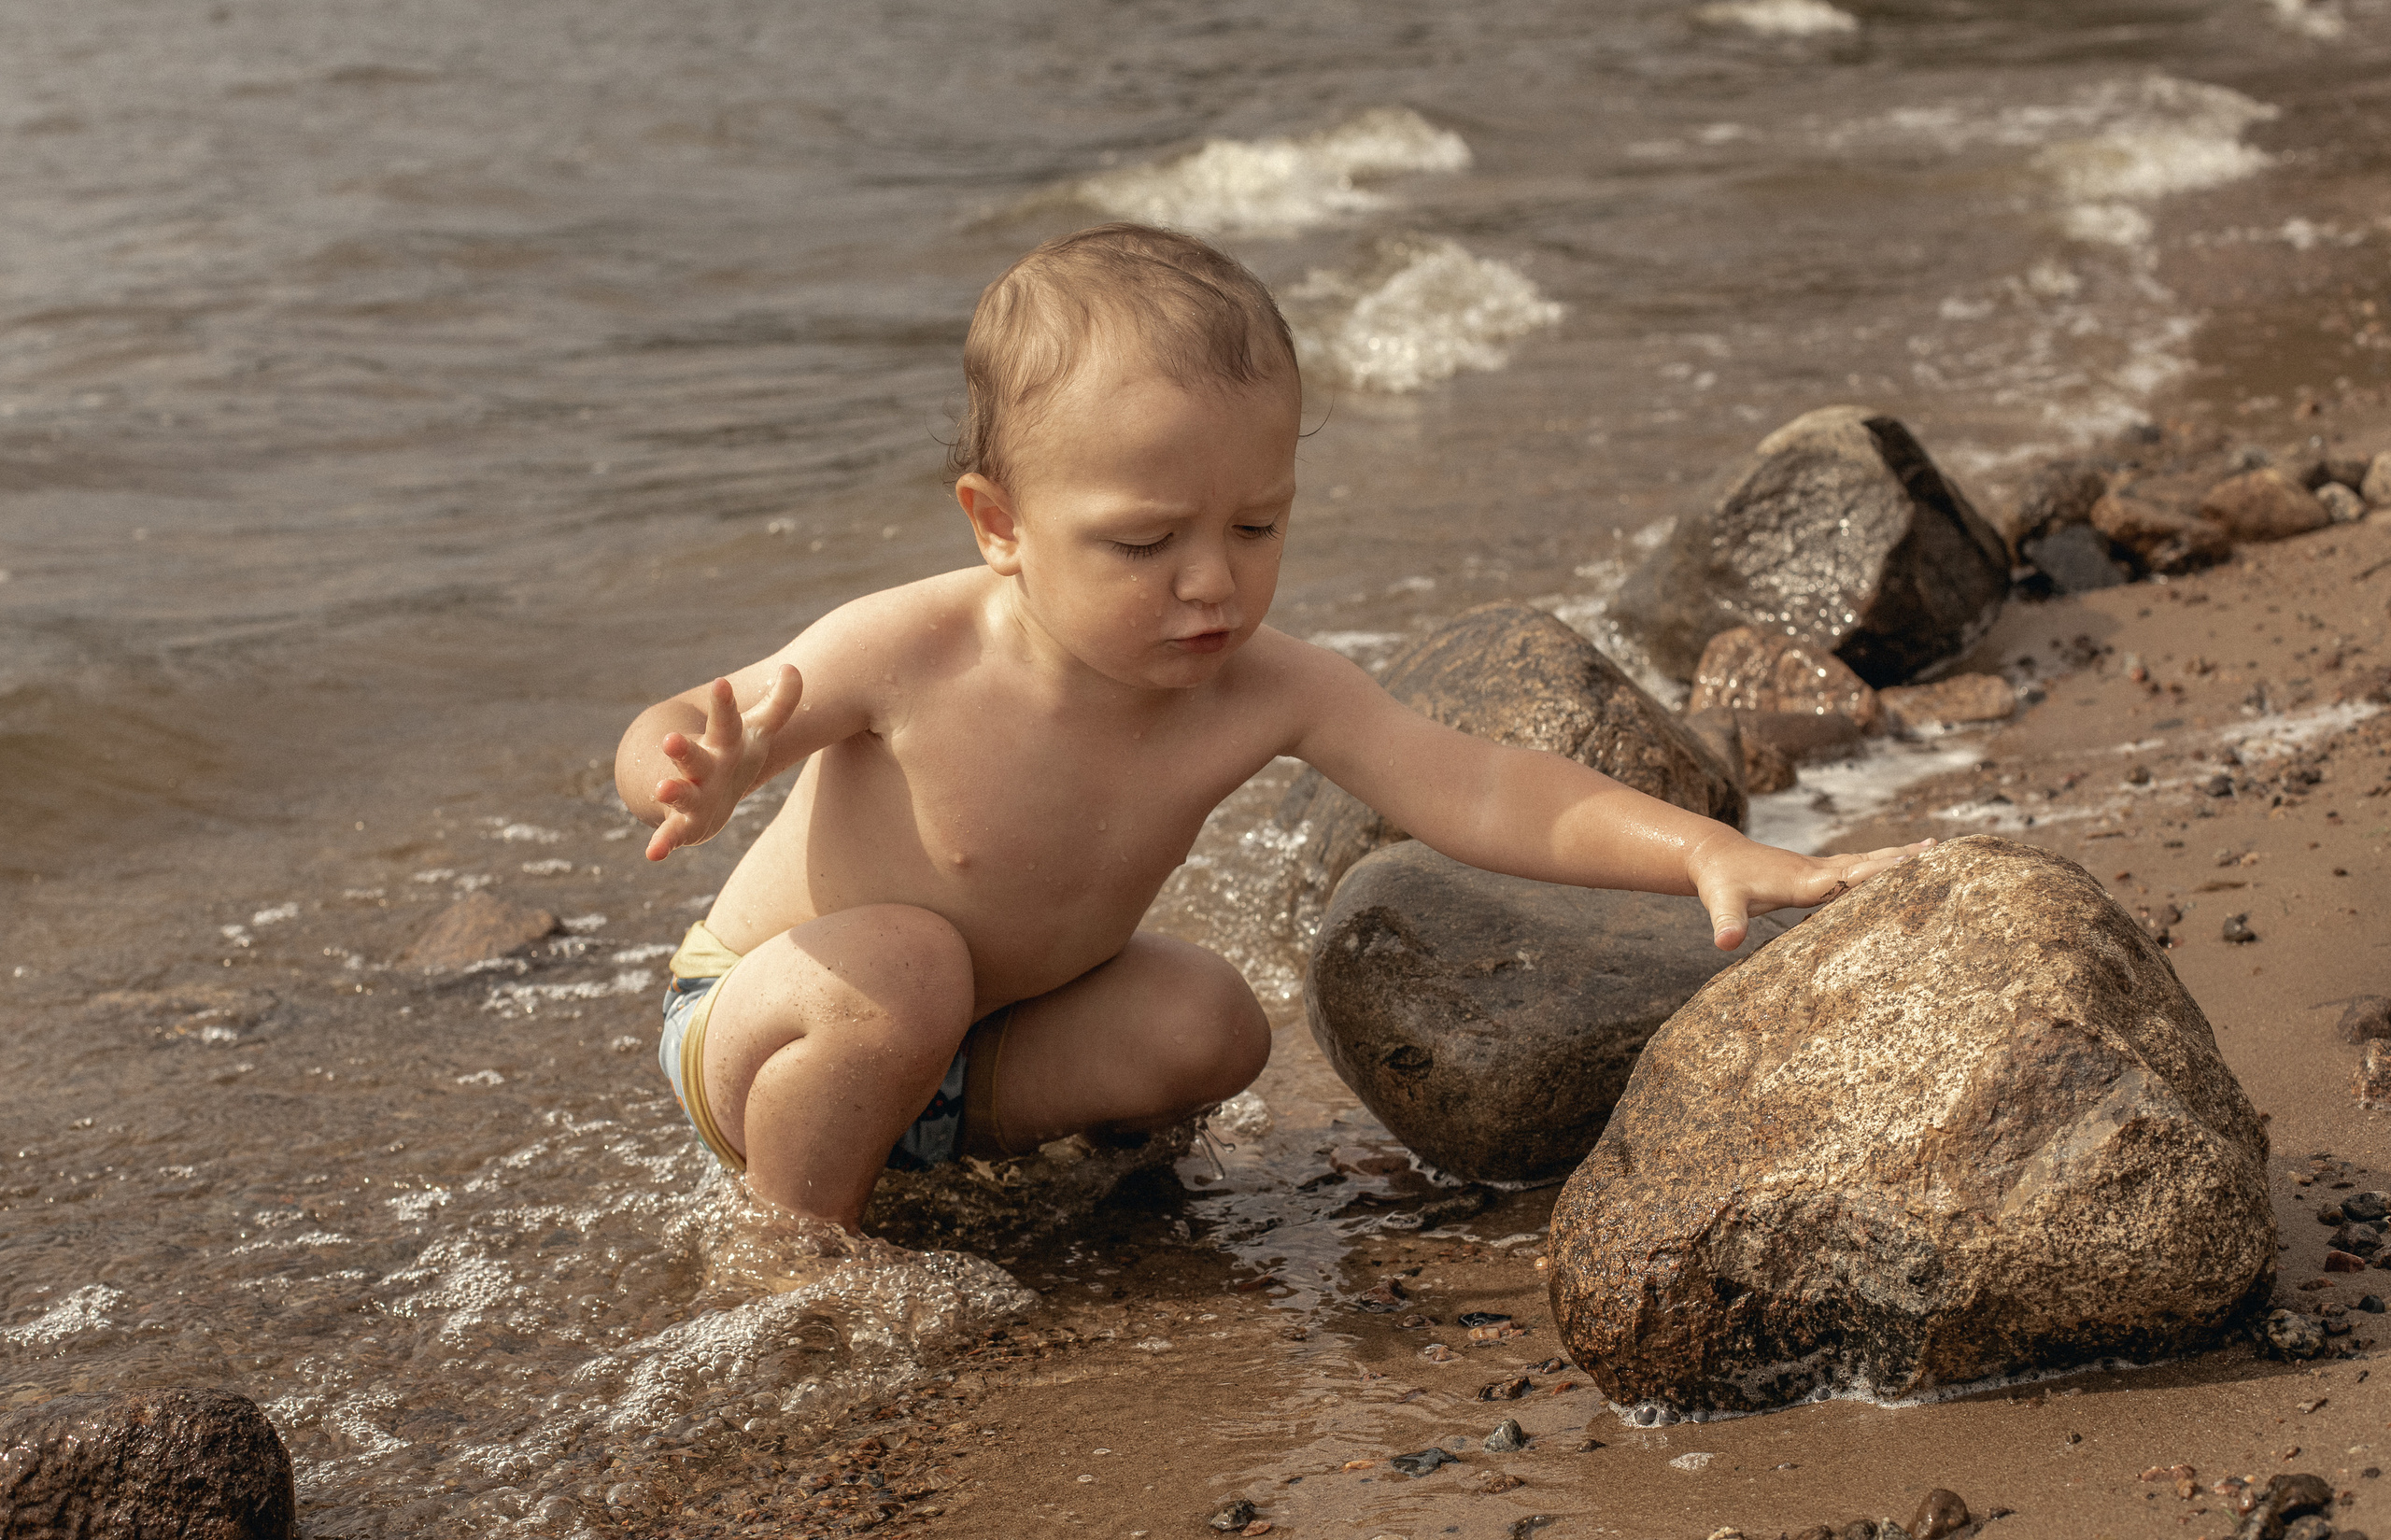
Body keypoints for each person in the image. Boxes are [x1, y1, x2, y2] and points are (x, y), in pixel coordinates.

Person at [615, 221, 1924, 1231]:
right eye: (1145, 541)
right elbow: (681, 722)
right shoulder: (911, 650)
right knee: (904, 965)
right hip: (771, 1022)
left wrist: (1697, 847)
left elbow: (1474, 787)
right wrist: (690, 765)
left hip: (979, 1052)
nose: (1212, 581)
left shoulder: (1263, 686)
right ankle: (793, 1244)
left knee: (1212, 1025)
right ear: (997, 524)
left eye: (1256, 525)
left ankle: (966, 1157)